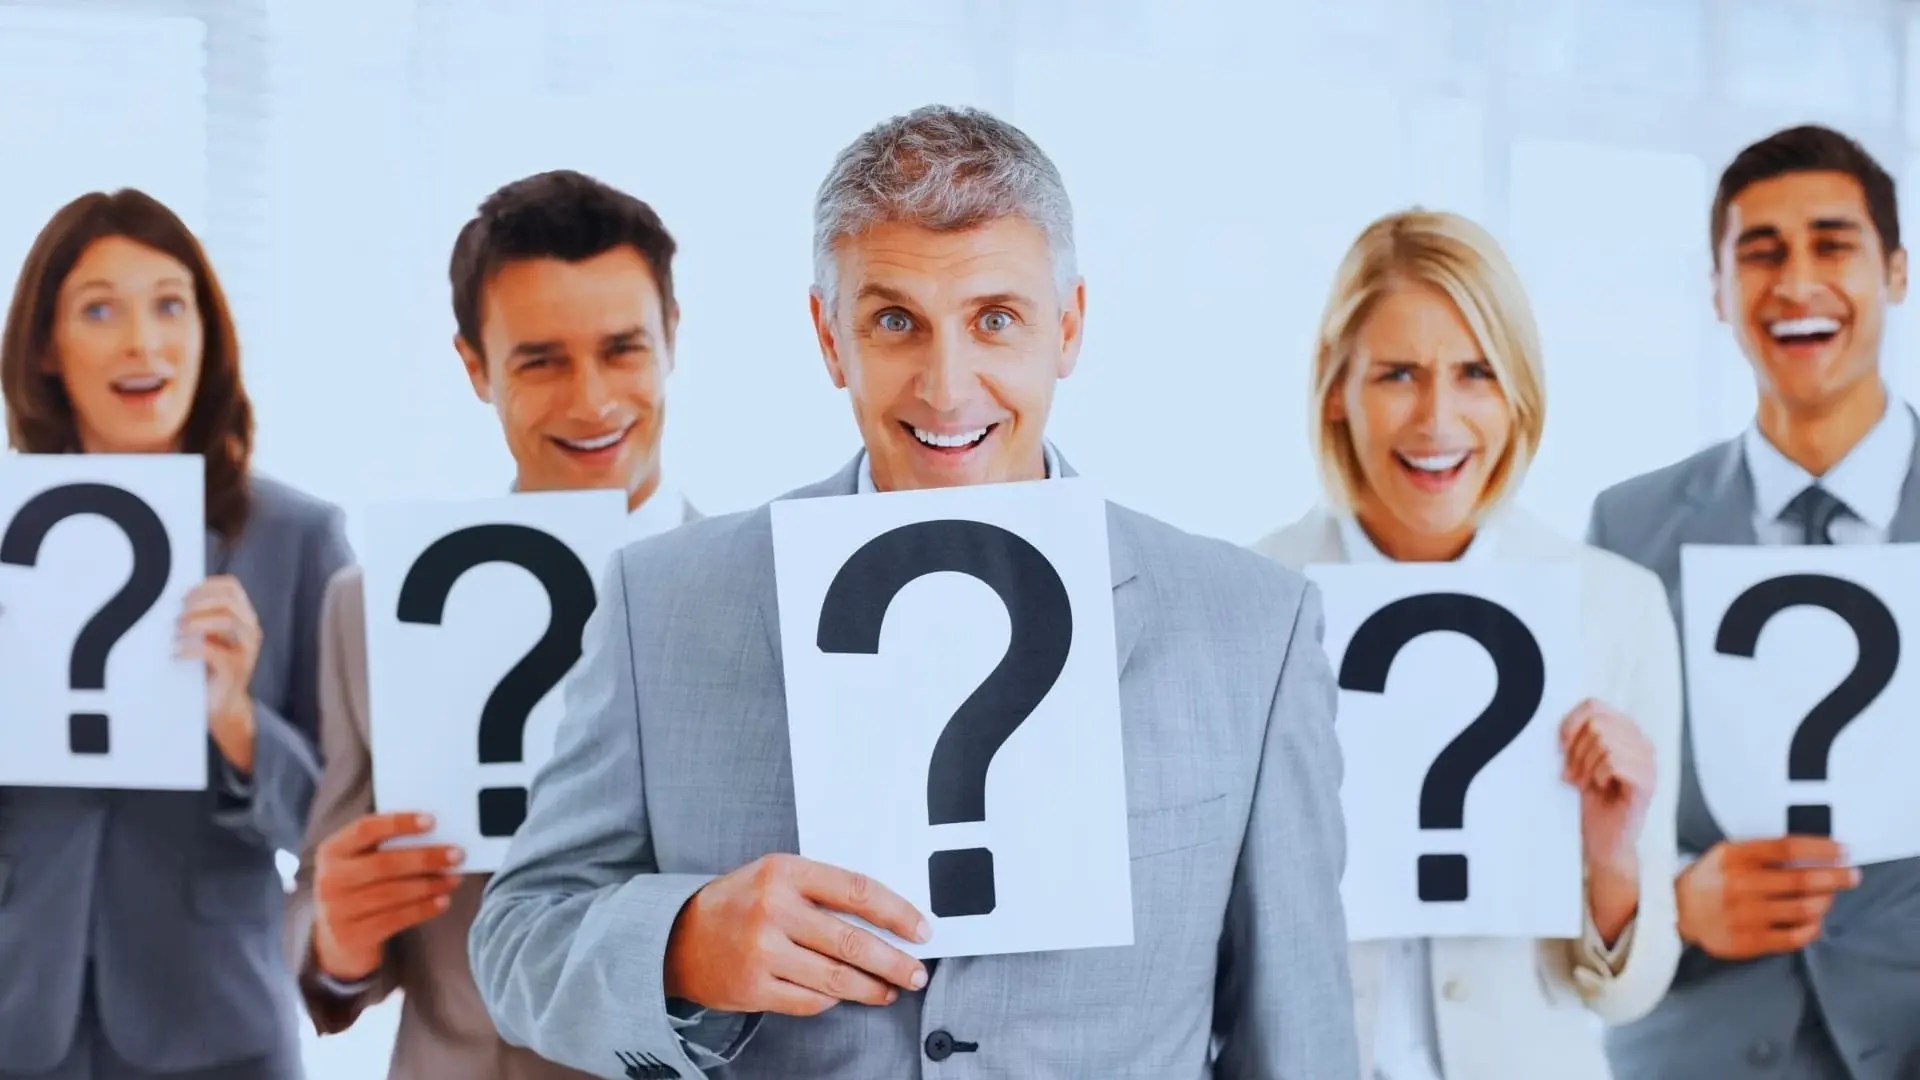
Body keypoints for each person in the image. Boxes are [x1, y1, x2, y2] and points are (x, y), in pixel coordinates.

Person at [466, 104, 1360, 1079]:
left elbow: (1298, 1037)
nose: (946, 385)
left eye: (995, 320)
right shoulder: (666, 601)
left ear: (1067, 326)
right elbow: (518, 939)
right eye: (895, 320)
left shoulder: (1250, 627)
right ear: (828, 335)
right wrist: (680, 944)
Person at [283, 170, 699, 1080]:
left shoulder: (769, 599)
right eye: (541, 359)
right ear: (475, 367)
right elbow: (324, 890)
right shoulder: (372, 605)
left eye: (623, 349)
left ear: (673, 339)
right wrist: (336, 935)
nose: (591, 401)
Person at [1251, 208, 1684, 1080]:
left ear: (1517, 391)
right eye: (1398, 374)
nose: (1436, 419)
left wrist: (1611, 859)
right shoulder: (1253, 595)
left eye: (1475, 373)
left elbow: (1627, 995)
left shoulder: (1613, 605)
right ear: (1337, 388)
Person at [1588, 124, 1920, 1080]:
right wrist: (1676, 904)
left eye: (1833, 245)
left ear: (1895, 272)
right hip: (1698, 1050)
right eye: (1760, 253)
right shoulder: (1628, 528)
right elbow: (1571, 814)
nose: (1796, 282)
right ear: (1719, 291)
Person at [0, 189, 351, 1079]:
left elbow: (331, 819)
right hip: (20, 1008)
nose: (141, 343)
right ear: (46, 347)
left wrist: (236, 718)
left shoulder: (294, 535)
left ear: (206, 332)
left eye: (168, 304)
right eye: (99, 309)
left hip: (215, 1020)